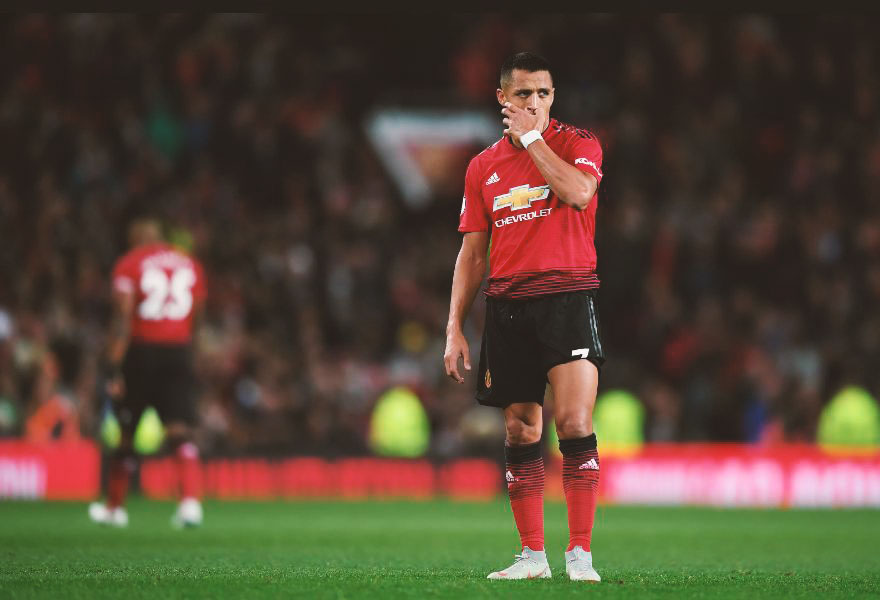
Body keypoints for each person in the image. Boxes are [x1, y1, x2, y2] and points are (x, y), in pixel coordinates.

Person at [444, 52, 605, 582]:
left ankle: (579, 554)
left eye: (543, 93)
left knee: (574, 422)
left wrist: (534, 140)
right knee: (519, 430)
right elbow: (473, 254)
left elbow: (579, 194)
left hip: (568, 298)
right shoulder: (481, 167)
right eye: (523, 94)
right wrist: (454, 327)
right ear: (502, 98)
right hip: (508, 306)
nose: (534, 102)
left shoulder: (578, 144)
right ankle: (533, 557)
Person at [89, 218, 207, 528]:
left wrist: (113, 366)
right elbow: (197, 313)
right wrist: (189, 350)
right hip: (179, 350)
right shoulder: (189, 263)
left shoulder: (130, 264)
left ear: (135, 238)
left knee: (126, 432)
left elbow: (123, 316)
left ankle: (115, 508)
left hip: (141, 351)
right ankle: (190, 504)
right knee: (179, 430)